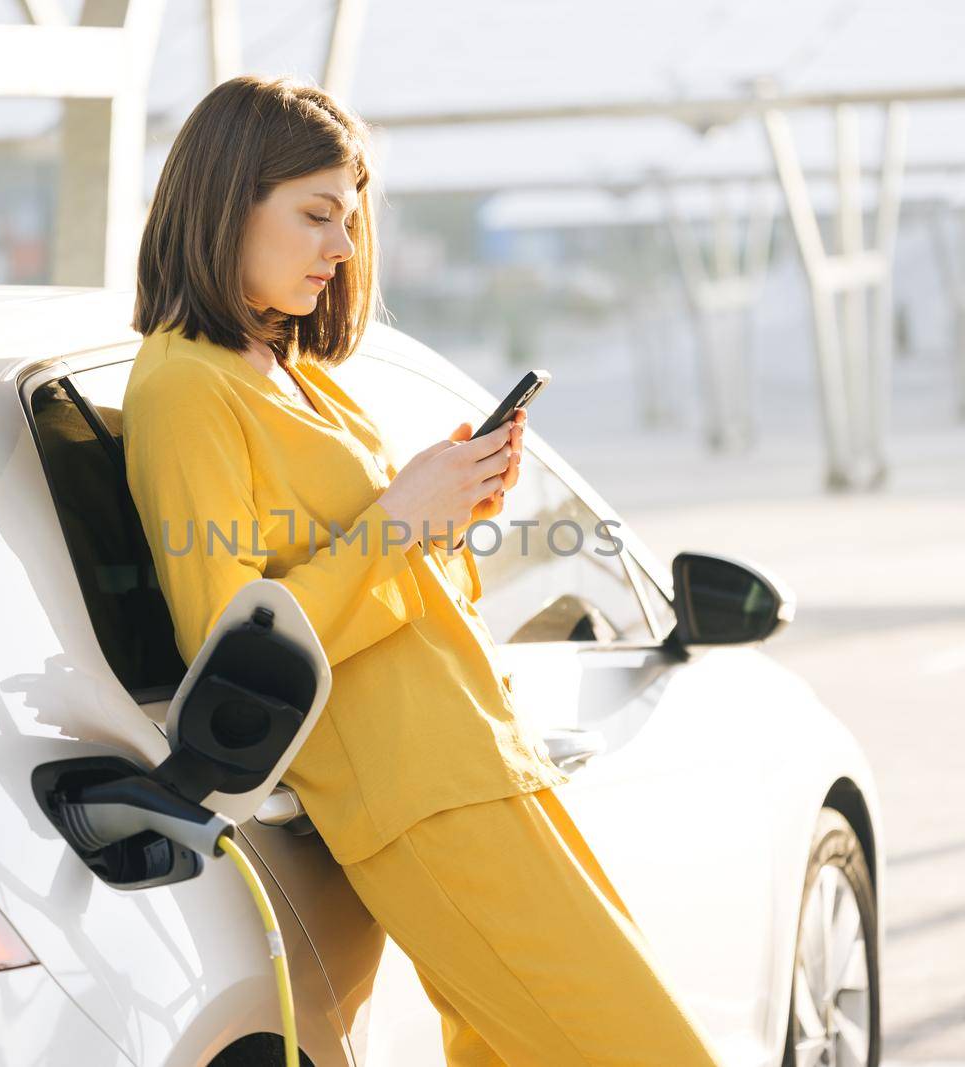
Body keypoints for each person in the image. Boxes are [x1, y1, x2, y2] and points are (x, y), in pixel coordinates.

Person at [120, 74, 722, 1067]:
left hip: (477, 761)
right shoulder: (185, 384)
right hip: (419, 796)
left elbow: (376, 578)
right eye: (316, 215)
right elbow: (230, 646)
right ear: (226, 200)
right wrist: (401, 520)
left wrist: (443, 513)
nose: (342, 248)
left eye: (349, 220)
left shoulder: (290, 372)